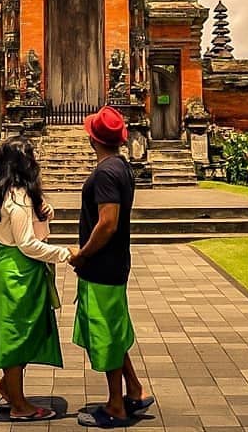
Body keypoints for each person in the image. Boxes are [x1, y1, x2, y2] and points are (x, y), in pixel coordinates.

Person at [70, 106, 155, 428]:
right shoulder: (121, 165)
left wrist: (83, 254)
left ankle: (116, 406)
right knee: (114, 328)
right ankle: (132, 389)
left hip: (102, 265)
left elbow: (107, 224)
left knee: (104, 332)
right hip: (115, 263)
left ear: (93, 137)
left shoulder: (106, 173)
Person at [0, 136, 70, 422]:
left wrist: (47, 210)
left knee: (19, 330)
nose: (37, 163)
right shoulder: (18, 199)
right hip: (19, 270)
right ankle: (20, 406)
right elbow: (27, 244)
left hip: (17, 268)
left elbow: (36, 219)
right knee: (16, 334)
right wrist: (65, 253)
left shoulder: (14, 193)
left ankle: (7, 386)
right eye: (32, 158)